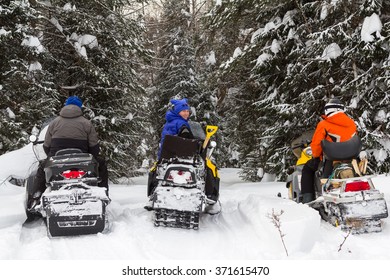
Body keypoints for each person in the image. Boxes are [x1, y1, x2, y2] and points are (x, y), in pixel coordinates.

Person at [28, 96, 109, 210]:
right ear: (80, 107)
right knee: (102, 165)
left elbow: (46, 146)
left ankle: (35, 198)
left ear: (65, 106)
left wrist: (52, 157)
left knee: (42, 168)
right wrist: (91, 157)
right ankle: (103, 196)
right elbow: (94, 148)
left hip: (58, 160)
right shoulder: (87, 123)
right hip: (82, 161)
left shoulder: (54, 123)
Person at [301, 98, 357, 203]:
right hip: (351, 160)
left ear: (328, 110)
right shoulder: (352, 124)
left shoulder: (324, 125)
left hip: (330, 161)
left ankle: (307, 200)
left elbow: (317, 145)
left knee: (307, 169)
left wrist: (316, 156)